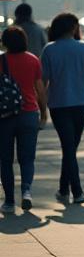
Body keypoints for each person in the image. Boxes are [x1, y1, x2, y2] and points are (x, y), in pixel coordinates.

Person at [40, 13, 84, 204]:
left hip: (58, 105)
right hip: (80, 105)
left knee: (69, 149)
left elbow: (43, 81)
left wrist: (41, 106)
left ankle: (64, 189)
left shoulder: (49, 50)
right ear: (74, 27)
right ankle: (77, 191)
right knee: (70, 148)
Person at [0, 27, 48, 213]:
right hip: (28, 113)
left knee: (5, 160)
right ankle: (26, 191)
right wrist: (43, 113)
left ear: (5, 42)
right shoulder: (33, 60)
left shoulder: (1, 60)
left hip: (5, 116)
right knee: (27, 158)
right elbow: (40, 90)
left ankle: (10, 201)